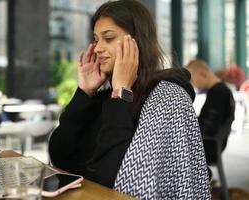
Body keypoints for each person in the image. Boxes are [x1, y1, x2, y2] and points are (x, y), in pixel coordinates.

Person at [48, 0, 210, 199]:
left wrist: (121, 93)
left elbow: (120, 182)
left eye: (108, 38)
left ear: (137, 41)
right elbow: (59, 156)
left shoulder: (166, 98)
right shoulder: (103, 96)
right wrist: (84, 93)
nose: (97, 48)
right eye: (96, 39)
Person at [186, 59, 235, 163]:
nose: (193, 85)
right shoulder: (220, 90)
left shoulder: (218, 93)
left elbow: (208, 128)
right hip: (213, 144)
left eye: (193, 80)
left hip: (208, 147)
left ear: (202, 74)